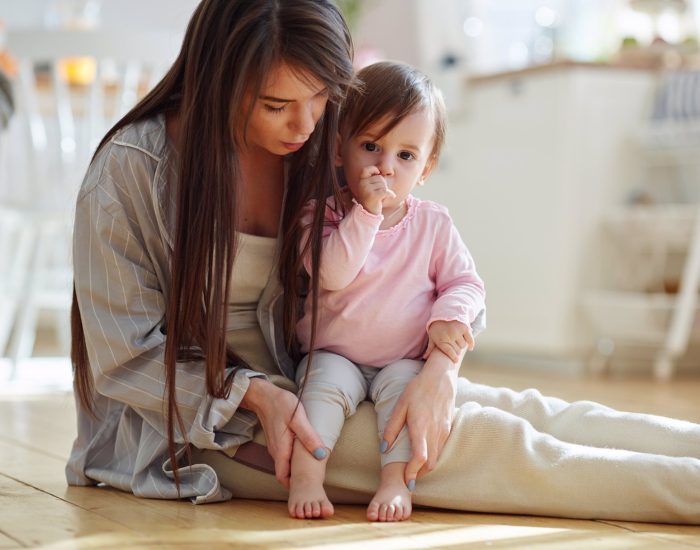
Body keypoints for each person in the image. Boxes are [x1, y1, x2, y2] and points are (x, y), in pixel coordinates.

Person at [68, 0, 700, 526]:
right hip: (204, 421)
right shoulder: (132, 171)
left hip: (317, 372)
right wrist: (254, 395)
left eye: (322, 100)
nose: (306, 125)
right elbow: (122, 356)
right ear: (215, 80)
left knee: (512, 406)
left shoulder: (322, 146)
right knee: (471, 449)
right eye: (275, 104)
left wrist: (441, 369)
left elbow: (436, 263)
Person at [289, 61, 485, 522]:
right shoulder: (320, 215)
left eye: (406, 156)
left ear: (426, 168)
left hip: (403, 358)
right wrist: (368, 213)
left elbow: (465, 281)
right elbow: (332, 273)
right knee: (318, 394)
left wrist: (448, 317)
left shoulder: (434, 223)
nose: (385, 167)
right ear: (340, 150)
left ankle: (396, 483)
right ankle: (306, 478)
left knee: (403, 402)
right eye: (371, 146)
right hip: (333, 352)